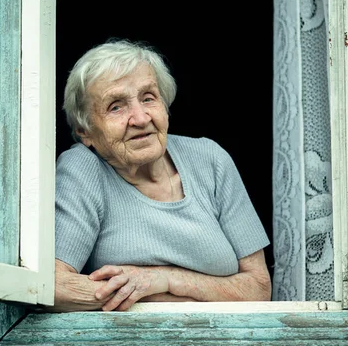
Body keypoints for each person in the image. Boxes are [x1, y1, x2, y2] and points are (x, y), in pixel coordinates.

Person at [51, 39, 271, 313]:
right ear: (85, 131)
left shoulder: (210, 159)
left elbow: (259, 287)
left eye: (148, 98)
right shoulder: (83, 169)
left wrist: (161, 280)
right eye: (116, 106)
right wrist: (161, 299)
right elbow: (54, 285)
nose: (140, 118)